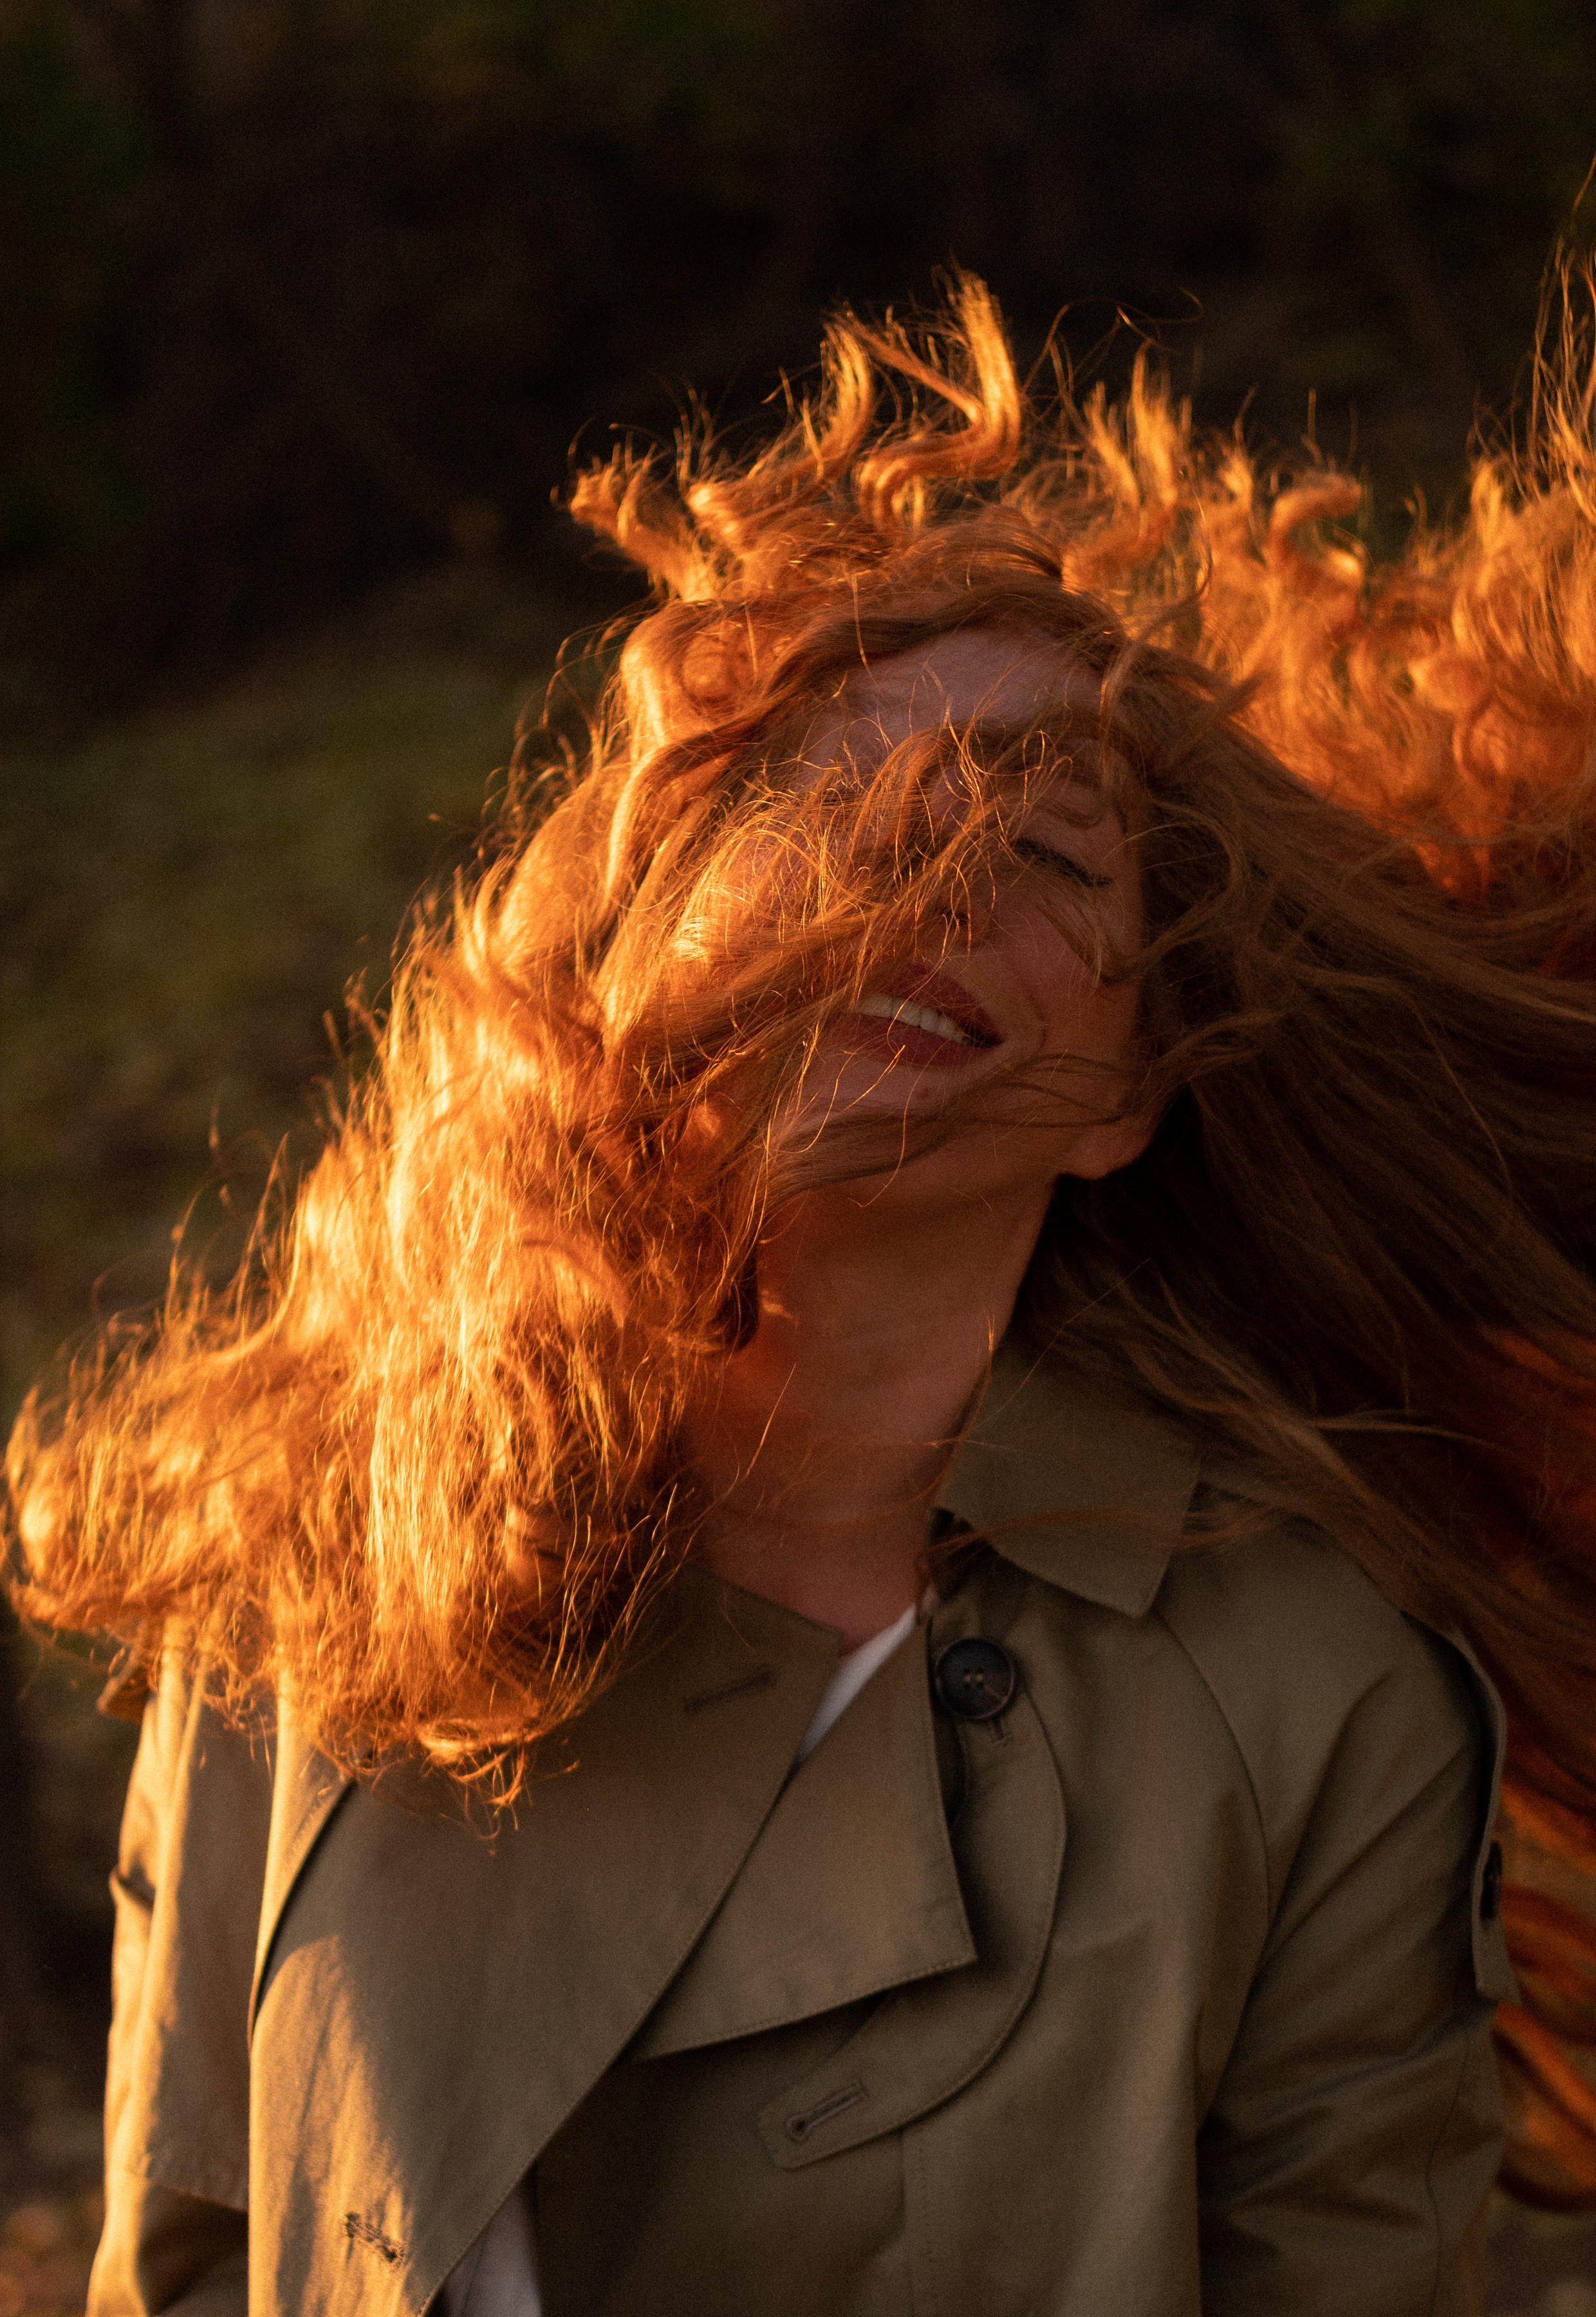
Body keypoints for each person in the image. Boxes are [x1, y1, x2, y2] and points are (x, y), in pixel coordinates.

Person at [10, 274, 1596, 2316]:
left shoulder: (1312, 1691)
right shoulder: (321, 1545)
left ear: (1129, 1093)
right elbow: (195, 2254)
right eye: (838, 809)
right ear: (640, 931)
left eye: (1045, 854)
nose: (929, 888)